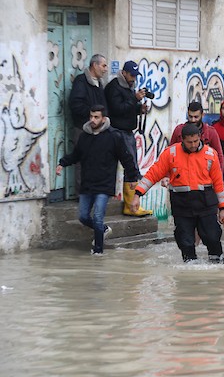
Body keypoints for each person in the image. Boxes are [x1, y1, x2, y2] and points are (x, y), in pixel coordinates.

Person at [132, 123, 224, 264]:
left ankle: (217, 264)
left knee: (212, 237)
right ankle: (189, 270)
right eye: (189, 142)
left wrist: (223, 209)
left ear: (200, 137)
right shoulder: (171, 154)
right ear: (182, 140)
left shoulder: (210, 154)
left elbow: (218, 183)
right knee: (185, 241)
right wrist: (137, 194)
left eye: (196, 141)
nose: (193, 145)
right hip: (182, 205)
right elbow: (153, 174)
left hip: (206, 203)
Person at [56, 105, 139, 255]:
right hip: (87, 184)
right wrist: (62, 163)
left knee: (98, 217)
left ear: (103, 118)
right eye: (91, 117)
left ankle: (98, 252)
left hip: (105, 184)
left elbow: (126, 158)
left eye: (96, 117)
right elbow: (76, 155)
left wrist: (133, 177)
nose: (93, 120)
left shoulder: (114, 136)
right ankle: (104, 230)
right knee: (83, 216)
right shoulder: (84, 136)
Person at [104, 60, 152, 216]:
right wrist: (135, 99)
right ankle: (131, 206)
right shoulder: (114, 87)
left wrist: (140, 109)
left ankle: (131, 204)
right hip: (117, 131)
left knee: (132, 167)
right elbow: (117, 109)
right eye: (131, 75)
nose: (134, 78)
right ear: (124, 73)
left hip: (128, 131)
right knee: (129, 166)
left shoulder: (129, 87)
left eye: (135, 75)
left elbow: (128, 108)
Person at [68, 54, 108, 193]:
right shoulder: (81, 81)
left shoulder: (99, 83)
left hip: (98, 130)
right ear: (94, 65)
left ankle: (95, 191)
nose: (105, 69)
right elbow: (76, 104)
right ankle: (83, 193)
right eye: (103, 65)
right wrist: (93, 116)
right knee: (82, 160)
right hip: (83, 128)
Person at [169, 101, 224, 171]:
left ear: (202, 115)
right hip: (182, 174)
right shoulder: (178, 131)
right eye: (190, 117)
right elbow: (170, 154)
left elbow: (219, 156)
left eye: (196, 117)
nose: (193, 120)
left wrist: (218, 177)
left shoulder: (211, 132)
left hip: (204, 175)